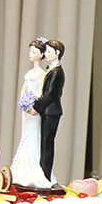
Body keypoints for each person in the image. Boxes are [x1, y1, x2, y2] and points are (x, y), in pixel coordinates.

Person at [9, 38, 52, 187]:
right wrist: (23, 102)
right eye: (30, 51)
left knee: (33, 136)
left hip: (34, 111)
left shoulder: (42, 73)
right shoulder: (30, 73)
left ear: (41, 54)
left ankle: (34, 170)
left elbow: (41, 92)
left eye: (34, 51)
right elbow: (24, 88)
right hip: (26, 111)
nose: (31, 54)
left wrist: (33, 105)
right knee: (25, 135)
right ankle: (22, 172)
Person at [33, 39, 65, 183]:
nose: (46, 54)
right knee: (44, 143)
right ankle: (43, 174)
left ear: (57, 53)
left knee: (47, 143)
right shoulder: (51, 69)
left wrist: (35, 107)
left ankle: (45, 176)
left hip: (51, 112)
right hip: (47, 111)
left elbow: (51, 94)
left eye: (49, 51)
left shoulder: (57, 72)